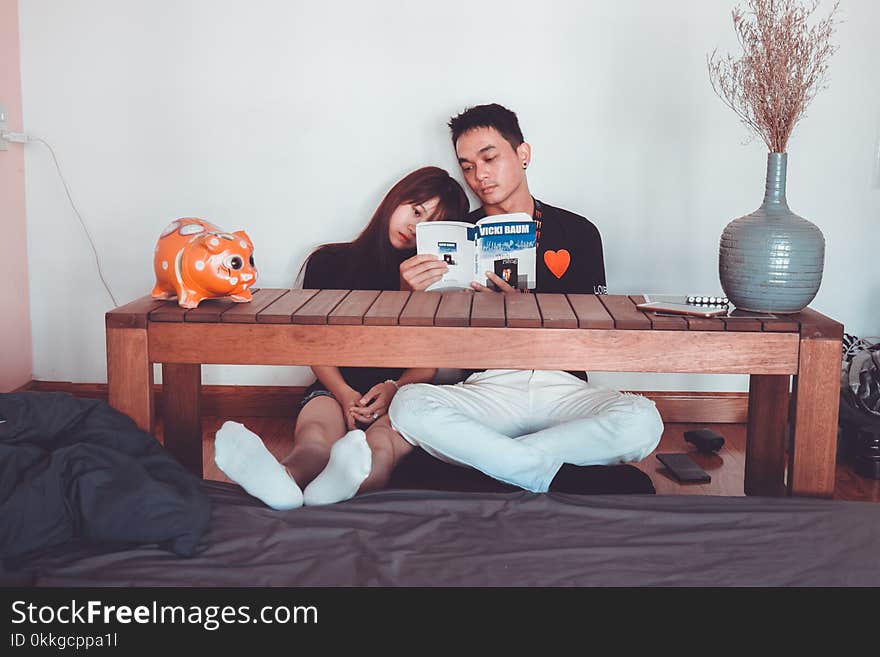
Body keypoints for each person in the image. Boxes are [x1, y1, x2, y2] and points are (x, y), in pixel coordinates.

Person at [389, 103, 664, 493]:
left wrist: (529, 306)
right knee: (408, 406)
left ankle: (485, 468)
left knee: (643, 421)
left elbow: (596, 333)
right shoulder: (454, 235)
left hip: (563, 386)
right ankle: (548, 474)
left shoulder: (579, 232)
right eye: (467, 166)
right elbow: (426, 343)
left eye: (489, 158)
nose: (479, 175)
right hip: (488, 386)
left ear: (523, 155)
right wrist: (409, 295)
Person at [213, 166, 470, 509]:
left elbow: (430, 359)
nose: (413, 226)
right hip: (336, 384)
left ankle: (343, 484)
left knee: (381, 446)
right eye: (415, 210)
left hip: (405, 389)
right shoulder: (329, 261)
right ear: (394, 201)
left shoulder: (439, 284)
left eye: (428, 224)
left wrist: (394, 386)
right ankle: (283, 479)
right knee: (315, 438)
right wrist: (344, 393)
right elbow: (311, 343)